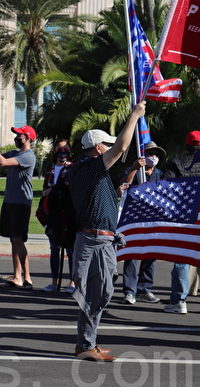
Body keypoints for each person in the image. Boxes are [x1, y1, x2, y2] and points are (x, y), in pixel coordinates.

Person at [68, 102, 146, 362]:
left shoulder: (86, 171)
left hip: (101, 239)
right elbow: (122, 146)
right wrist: (134, 115)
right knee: (97, 294)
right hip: (94, 240)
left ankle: (87, 343)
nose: (112, 149)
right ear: (99, 149)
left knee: (98, 293)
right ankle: (85, 345)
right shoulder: (90, 168)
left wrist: (130, 173)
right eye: (107, 146)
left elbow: (103, 200)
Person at [0, 126, 37, 288]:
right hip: (10, 201)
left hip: (21, 202)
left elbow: (2, 161)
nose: (16, 137)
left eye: (19, 135)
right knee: (13, 240)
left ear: (27, 137)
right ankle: (17, 276)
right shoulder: (15, 153)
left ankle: (27, 278)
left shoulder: (28, 156)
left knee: (18, 239)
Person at [119, 141, 166, 305]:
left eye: (156, 154)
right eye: (149, 153)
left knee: (151, 253)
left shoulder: (160, 174)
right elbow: (123, 187)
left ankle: (144, 289)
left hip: (153, 218)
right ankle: (129, 291)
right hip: (134, 218)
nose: (153, 156)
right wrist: (134, 168)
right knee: (132, 254)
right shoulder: (133, 170)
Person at [162, 130, 200, 314]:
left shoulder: (175, 162)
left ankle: (179, 300)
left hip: (184, 215)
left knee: (181, 258)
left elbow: (166, 188)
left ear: (186, 145)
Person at [39, 140, 75, 294]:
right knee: (54, 248)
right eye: (60, 150)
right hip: (52, 212)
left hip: (66, 212)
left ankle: (73, 282)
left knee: (70, 249)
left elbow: (68, 188)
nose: (62, 153)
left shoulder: (72, 168)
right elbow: (44, 189)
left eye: (65, 150)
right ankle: (54, 283)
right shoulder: (50, 169)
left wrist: (52, 190)